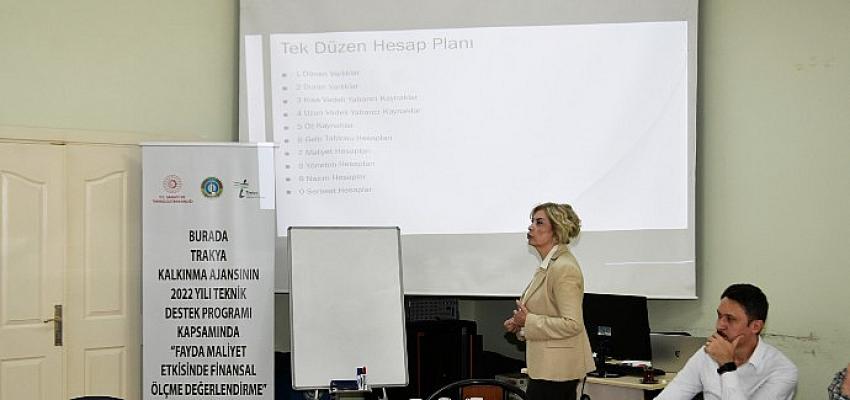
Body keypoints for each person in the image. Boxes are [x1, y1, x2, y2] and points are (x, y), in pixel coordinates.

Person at [503, 202, 595, 400]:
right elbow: (545, 315)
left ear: (557, 230)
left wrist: (527, 321)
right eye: (532, 222)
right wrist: (520, 325)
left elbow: (572, 324)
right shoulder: (548, 266)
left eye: (539, 223)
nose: (531, 227)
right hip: (546, 370)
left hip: (557, 372)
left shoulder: (564, 268)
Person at [655, 283, 798, 400]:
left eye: (730, 319)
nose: (719, 326)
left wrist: (727, 366)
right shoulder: (706, 354)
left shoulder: (783, 371)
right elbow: (671, 395)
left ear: (755, 326)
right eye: (719, 316)